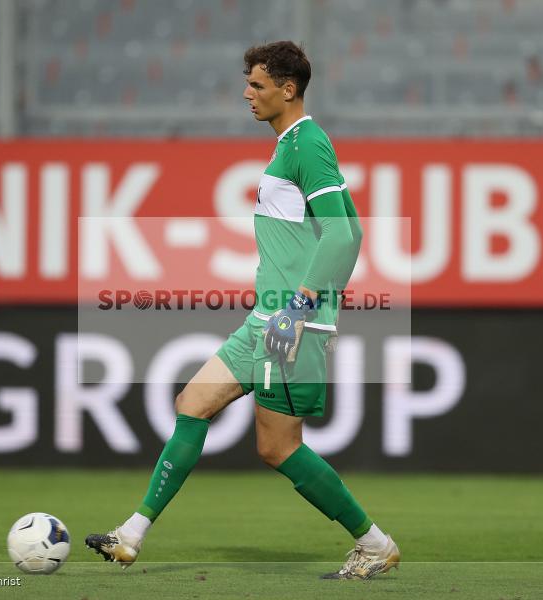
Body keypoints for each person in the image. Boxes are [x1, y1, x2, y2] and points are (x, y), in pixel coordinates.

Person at [86, 40, 400, 580]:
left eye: (257, 84)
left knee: (277, 448)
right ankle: (131, 535)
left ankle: (375, 543)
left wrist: (306, 308)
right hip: (267, 319)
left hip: (287, 322)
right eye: (247, 83)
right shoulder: (291, 146)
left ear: (288, 88)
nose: (246, 93)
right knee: (192, 403)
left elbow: (343, 233)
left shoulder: (306, 143)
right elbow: (354, 227)